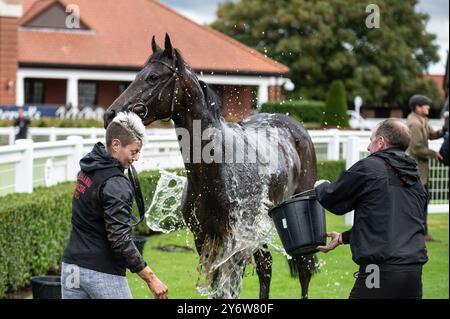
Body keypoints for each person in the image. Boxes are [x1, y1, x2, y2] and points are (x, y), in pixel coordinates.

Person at [314, 119, 428, 299]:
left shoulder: (370, 167)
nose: (368, 147)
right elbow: (388, 222)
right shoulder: (415, 179)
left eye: (371, 140)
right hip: (413, 273)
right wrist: (343, 238)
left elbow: (334, 198)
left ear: (381, 142)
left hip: (377, 270)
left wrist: (321, 187)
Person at [62, 111, 168, 299]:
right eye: (134, 151)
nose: (136, 157)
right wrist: (151, 278)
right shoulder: (116, 184)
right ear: (116, 144)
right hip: (101, 272)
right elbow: (119, 239)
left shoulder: (89, 164)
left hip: (71, 268)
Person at [406, 95, 444, 241]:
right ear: (418, 107)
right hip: (415, 171)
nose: (428, 107)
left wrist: (444, 129)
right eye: (426, 105)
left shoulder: (422, 120)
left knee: (423, 202)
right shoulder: (414, 123)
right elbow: (416, 148)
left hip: (422, 171)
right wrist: (434, 154)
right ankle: (418, 234)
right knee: (419, 204)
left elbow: (432, 135)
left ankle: (423, 234)